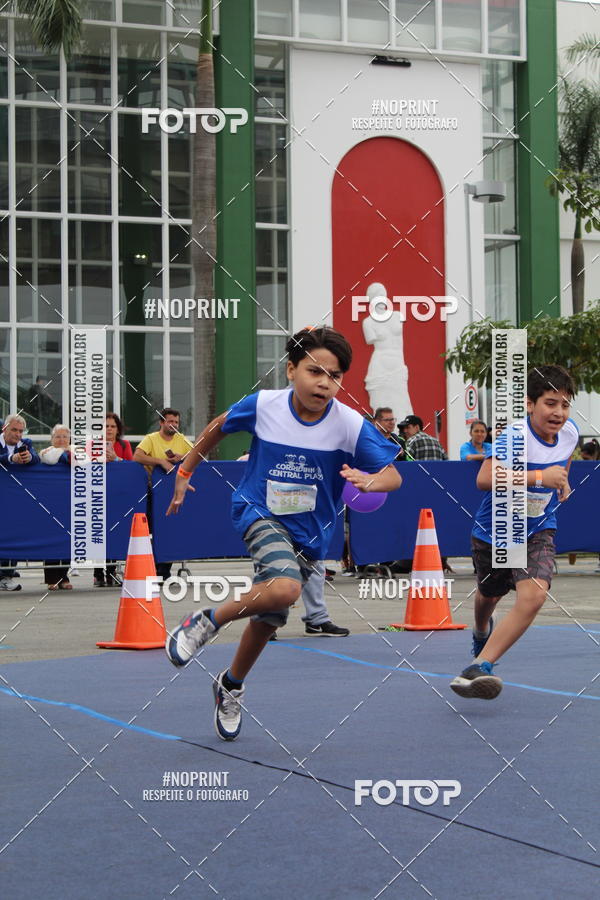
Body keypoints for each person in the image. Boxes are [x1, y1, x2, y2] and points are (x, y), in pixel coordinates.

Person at [164, 326, 402, 741]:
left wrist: (370, 481)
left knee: (270, 616)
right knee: (287, 589)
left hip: (310, 531)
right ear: (291, 369)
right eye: (315, 371)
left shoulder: (349, 424)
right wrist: (185, 470)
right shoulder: (264, 405)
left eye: (335, 376)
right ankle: (204, 622)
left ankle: (230, 684)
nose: (325, 383)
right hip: (259, 511)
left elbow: (393, 475)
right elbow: (219, 426)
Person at [450, 365, 578, 700]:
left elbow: (561, 462)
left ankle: (480, 667)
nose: (559, 412)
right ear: (530, 403)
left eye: (565, 404)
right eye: (551, 403)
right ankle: (480, 631)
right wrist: (538, 478)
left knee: (534, 595)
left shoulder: (570, 434)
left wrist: (561, 482)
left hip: (538, 528)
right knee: (489, 595)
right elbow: (484, 479)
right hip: (497, 530)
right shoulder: (514, 438)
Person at [133, 408, 193, 580]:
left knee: (170, 530)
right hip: (152, 492)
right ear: (161, 422)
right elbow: (136, 456)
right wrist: (160, 461)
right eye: (170, 421)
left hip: (174, 492)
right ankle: (151, 569)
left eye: (176, 422)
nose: (173, 425)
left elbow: (198, 454)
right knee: (153, 531)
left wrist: (181, 457)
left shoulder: (181, 439)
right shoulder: (151, 438)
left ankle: (164, 571)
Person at [362, 283, 412, 421]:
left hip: (397, 365)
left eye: (383, 296)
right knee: (381, 403)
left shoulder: (397, 316)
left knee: (402, 403)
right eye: (377, 296)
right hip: (380, 365)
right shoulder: (368, 322)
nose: (382, 299)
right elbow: (370, 339)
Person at [94, 413, 133, 587]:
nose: (109, 429)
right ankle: (98, 574)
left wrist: (116, 459)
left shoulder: (124, 445)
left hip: (118, 495)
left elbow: (132, 466)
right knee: (98, 534)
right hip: (98, 494)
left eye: (112, 426)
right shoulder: (93, 444)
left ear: (118, 430)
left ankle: (111, 572)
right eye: (106, 426)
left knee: (114, 533)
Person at [0, 414, 39, 591]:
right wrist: (10, 459)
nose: (17, 434)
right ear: (5, 428)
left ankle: (7, 574)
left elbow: (36, 458)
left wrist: (29, 458)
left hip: (13, 499)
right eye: (14, 430)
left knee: (12, 531)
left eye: (20, 431)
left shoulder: (26, 443)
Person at [40, 424, 73, 589]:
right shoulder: (46, 452)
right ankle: (52, 578)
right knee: (51, 538)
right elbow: (50, 458)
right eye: (58, 437)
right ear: (52, 439)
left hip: (70, 502)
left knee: (68, 538)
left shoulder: (76, 451)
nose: (61, 440)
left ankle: (64, 575)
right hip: (51, 501)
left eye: (65, 437)